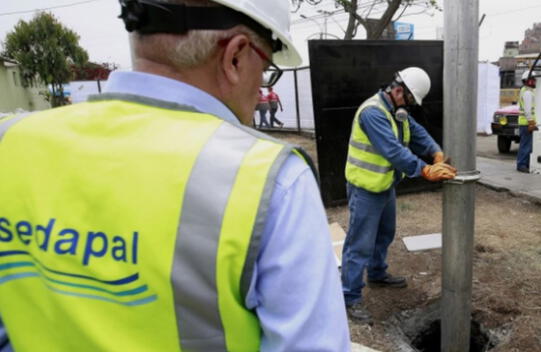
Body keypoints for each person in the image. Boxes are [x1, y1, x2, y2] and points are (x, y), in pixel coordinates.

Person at [0, 1, 350, 351]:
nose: (261, 87)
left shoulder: (11, 141)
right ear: (236, 56)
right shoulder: (269, 178)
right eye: (267, 69)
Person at [342, 67, 457, 323]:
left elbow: (416, 132)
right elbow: (393, 151)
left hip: (384, 185)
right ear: (397, 90)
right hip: (365, 188)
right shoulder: (373, 113)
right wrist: (425, 170)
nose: (409, 105)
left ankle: (377, 273)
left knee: (384, 234)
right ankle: (349, 297)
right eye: (409, 99)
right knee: (359, 244)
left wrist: (435, 152)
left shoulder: (397, 111)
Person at [516, 70, 537, 173]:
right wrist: (531, 122)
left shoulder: (525, 90)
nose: (534, 82)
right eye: (533, 79)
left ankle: (525, 164)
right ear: (528, 81)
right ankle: (522, 165)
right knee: (526, 146)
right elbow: (528, 110)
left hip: (525, 123)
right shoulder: (528, 92)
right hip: (526, 123)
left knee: (526, 145)